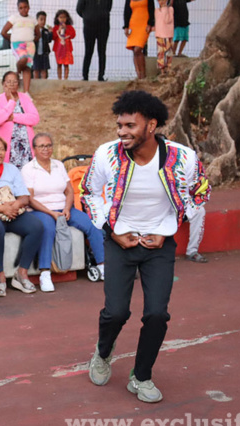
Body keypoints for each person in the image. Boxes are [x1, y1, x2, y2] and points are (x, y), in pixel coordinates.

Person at [82, 91, 210, 403]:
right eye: (119, 125)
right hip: (118, 242)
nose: (121, 132)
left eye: (129, 125)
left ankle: (141, 376)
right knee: (116, 313)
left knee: (157, 314)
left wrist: (171, 227)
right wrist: (111, 231)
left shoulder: (183, 158)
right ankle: (103, 352)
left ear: (151, 125)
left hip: (160, 245)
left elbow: (201, 191)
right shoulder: (106, 155)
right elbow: (88, 192)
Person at [23, 133, 105, 292]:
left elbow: (68, 191)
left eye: (48, 145)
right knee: (47, 228)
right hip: (41, 210)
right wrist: (50, 212)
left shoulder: (58, 165)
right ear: (34, 149)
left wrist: (67, 208)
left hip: (64, 207)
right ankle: (45, 273)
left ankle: (102, 265)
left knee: (91, 224)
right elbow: (30, 199)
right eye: (41, 146)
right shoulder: (28, 169)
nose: (46, 149)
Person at [0, 136, 43, 296]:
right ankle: (0, 276)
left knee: (36, 226)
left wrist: (15, 205)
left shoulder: (11, 169)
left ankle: (21, 272)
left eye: (2, 149)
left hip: (13, 211)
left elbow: (24, 196)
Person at [0, 71, 40, 169]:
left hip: (26, 147)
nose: (12, 84)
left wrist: (14, 117)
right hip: (9, 147)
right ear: (3, 83)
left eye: (15, 82)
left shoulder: (24, 98)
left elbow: (34, 118)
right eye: (8, 82)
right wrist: (11, 102)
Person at [1, 0, 37, 94]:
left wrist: (32, 40)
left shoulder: (33, 19)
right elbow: (3, 32)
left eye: (25, 7)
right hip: (18, 44)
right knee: (23, 59)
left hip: (30, 45)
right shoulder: (14, 18)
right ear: (18, 9)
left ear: (28, 7)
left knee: (28, 67)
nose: (23, 10)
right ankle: (18, 71)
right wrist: (13, 38)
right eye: (21, 8)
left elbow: (38, 34)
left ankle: (26, 92)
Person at [77, 0, 113, 82]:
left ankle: (101, 76)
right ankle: (85, 76)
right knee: (88, 51)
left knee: (102, 51)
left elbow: (109, 7)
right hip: (89, 25)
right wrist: (87, 16)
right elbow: (79, 9)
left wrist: (103, 15)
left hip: (104, 25)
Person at [124, 0, 155, 80]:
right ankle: (139, 76)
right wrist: (126, 26)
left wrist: (150, 23)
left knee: (138, 49)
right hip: (133, 24)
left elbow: (152, 9)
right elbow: (126, 11)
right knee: (134, 50)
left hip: (144, 24)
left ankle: (143, 75)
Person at [53, 10, 76, 80]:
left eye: (64, 17)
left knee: (66, 64)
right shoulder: (56, 27)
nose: (62, 19)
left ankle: (65, 79)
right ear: (57, 18)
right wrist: (59, 31)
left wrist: (66, 29)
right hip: (58, 49)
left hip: (67, 49)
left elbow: (73, 35)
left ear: (67, 18)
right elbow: (53, 37)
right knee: (59, 64)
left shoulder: (70, 27)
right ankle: (59, 79)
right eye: (60, 17)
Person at [154, 0, 174, 76]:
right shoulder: (157, 11)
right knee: (160, 53)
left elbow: (167, 20)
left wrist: (166, 8)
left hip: (167, 34)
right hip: (159, 34)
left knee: (168, 52)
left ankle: (168, 68)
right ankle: (162, 70)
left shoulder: (170, 9)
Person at [33, 12, 53, 80]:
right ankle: (36, 84)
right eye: (41, 19)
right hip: (35, 53)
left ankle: (44, 84)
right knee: (36, 70)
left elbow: (49, 40)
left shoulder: (46, 31)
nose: (43, 21)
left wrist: (50, 33)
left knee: (44, 70)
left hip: (44, 53)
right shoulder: (34, 30)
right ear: (37, 20)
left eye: (44, 19)